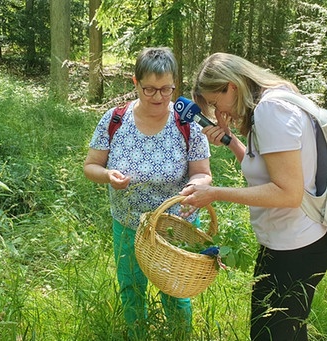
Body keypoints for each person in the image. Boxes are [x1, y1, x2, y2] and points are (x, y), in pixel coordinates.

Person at [180, 52, 327, 341]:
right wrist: (231, 140)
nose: (216, 111)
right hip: (285, 243)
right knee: (284, 332)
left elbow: (288, 193)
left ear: (232, 86)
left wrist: (214, 193)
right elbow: (265, 170)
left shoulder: (270, 110)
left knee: (271, 335)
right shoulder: (271, 101)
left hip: (297, 246)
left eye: (215, 102)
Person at [83, 47, 212, 340]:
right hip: (129, 224)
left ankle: (180, 336)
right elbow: (90, 166)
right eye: (150, 89)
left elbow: (203, 172)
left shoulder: (186, 122)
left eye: (166, 89)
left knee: (176, 293)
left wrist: (198, 186)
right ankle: (137, 334)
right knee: (131, 288)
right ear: (134, 82)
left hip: (176, 226)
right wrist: (107, 175)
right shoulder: (115, 120)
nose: (158, 97)